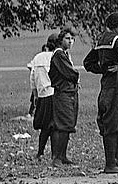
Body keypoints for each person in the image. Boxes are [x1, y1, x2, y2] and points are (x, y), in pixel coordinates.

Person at [83, 11, 118, 173]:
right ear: (114, 25)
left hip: (106, 86)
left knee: (115, 122)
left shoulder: (102, 40)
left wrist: (103, 70)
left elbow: (88, 63)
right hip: (117, 88)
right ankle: (111, 164)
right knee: (115, 124)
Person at [48, 27, 79, 166]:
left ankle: (63, 155)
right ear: (60, 40)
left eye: (72, 39)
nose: (70, 41)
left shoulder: (65, 54)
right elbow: (71, 73)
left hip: (69, 92)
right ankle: (57, 157)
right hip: (62, 92)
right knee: (61, 125)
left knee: (67, 124)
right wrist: (76, 76)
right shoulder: (59, 54)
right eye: (67, 38)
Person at [29, 33, 59, 158]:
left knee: (45, 126)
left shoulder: (38, 57)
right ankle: (55, 154)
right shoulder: (58, 56)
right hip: (55, 94)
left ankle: (40, 151)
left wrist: (36, 95)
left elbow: (32, 78)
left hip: (42, 95)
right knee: (55, 125)